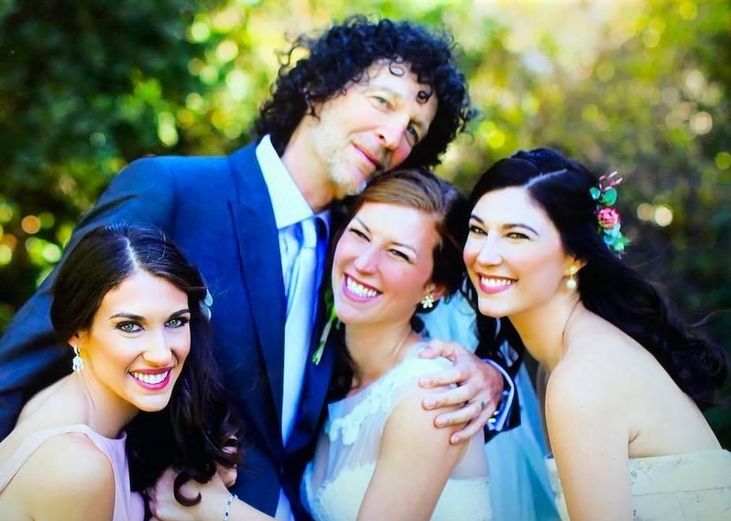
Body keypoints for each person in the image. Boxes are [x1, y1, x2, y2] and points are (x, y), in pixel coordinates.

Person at [0, 16, 513, 519]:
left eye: (413, 132)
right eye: (383, 102)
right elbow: (31, 352)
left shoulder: (356, 254)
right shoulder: (172, 192)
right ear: (317, 87)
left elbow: (390, 362)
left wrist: (489, 377)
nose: (392, 136)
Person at [149, 169, 492, 521]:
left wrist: (217, 509)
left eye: (398, 254)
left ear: (433, 287)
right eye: (360, 234)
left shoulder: (431, 398)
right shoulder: (334, 370)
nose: (363, 263)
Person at [462, 147, 731, 520]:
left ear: (575, 257)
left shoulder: (583, 375)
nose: (485, 255)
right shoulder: (565, 356)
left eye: (517, 236)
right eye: (477, 230)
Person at [0, 224, 238, 521]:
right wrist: (221, 512)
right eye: (130, 326)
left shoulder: (61, 400)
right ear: (76, 332)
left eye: (175, 321)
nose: (161, 353)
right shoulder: (77, 469)